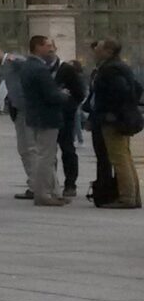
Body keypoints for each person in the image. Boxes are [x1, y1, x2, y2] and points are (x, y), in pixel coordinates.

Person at [4, 34, 72, 206]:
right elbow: (50, 95)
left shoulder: (29, 66)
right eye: (48, 45)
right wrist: (63, 95)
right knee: (45, 156)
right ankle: (43, 193)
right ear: (38, 47)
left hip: (36, 115)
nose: (51, 49)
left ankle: (52, 191)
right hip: (46, 116)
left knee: (44, 154)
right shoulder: (39, 69)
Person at [91, 38, 142, 209]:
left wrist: (110, 111)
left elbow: (120, 92)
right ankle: (134, 196)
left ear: (108, 51)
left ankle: (126, 197)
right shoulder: (121, 66)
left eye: (98, 48)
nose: (95, 50)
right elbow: (137, 88)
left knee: (119, 158)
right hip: (122, 117)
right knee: (125, 156)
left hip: (113, 119)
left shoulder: (109, 70)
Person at [56, 56, 88, 198]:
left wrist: (70, 105)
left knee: (67, 149)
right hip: (46, 115)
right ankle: (52, 183)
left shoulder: (66, 71)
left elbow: (79, 93)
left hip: (64, 115)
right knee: (47, 152)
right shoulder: (41, 68)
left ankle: (70, 184)